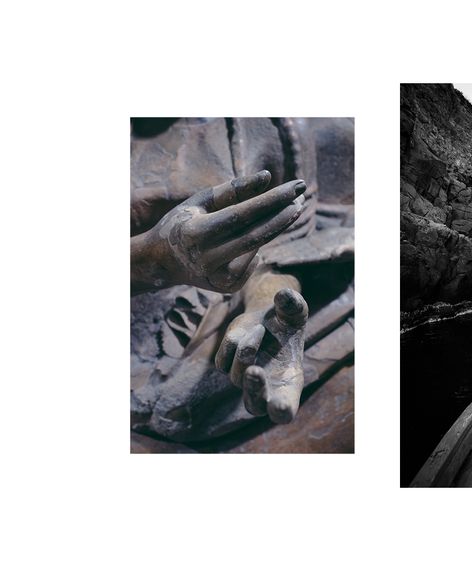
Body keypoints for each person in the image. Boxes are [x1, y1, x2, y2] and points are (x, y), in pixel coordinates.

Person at [130, 118, 354, 444]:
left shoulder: (278, 129)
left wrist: (268, 306)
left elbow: (274, 254)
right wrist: (152, 261)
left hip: (206, 329)